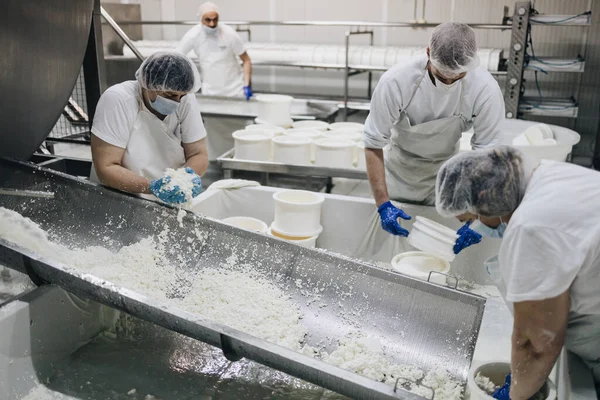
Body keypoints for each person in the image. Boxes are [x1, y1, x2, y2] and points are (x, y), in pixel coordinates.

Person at [435, 146, 600, 399]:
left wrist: (517, 393)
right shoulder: (549, 175)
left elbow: (538, 343)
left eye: (470, 219)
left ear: (486, 202)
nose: (474, 226)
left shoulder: (531, 227)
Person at [363, 22, 505, 238]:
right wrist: (383, 204)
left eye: (458, 76)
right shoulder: (396, 81)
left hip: (445, 176)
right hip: (399, 175)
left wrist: (480, 216)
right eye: (441, 76)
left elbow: (487, 156)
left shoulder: (485, 90)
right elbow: (373, 142)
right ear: (428, 53)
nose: (448, 82)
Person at [90, 51, 208, 203]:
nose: (177, 102)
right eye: (170, 95)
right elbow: (106, 168)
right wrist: (153, 187)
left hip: (168, 202)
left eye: (182, 96)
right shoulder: (118, 100)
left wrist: (187, 178)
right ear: (148, 84)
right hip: (121, 199)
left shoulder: (185, 99)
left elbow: (198, 153)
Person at [176, 1, 253, 100]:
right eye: (208, 20)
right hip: (210, 92)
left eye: (215, 19)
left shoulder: (229, 33)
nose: (212, 24)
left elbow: (246, 60)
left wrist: (246, 85)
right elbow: (177, 57)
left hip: (235, 91)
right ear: (201, 19)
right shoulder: (193, 35)